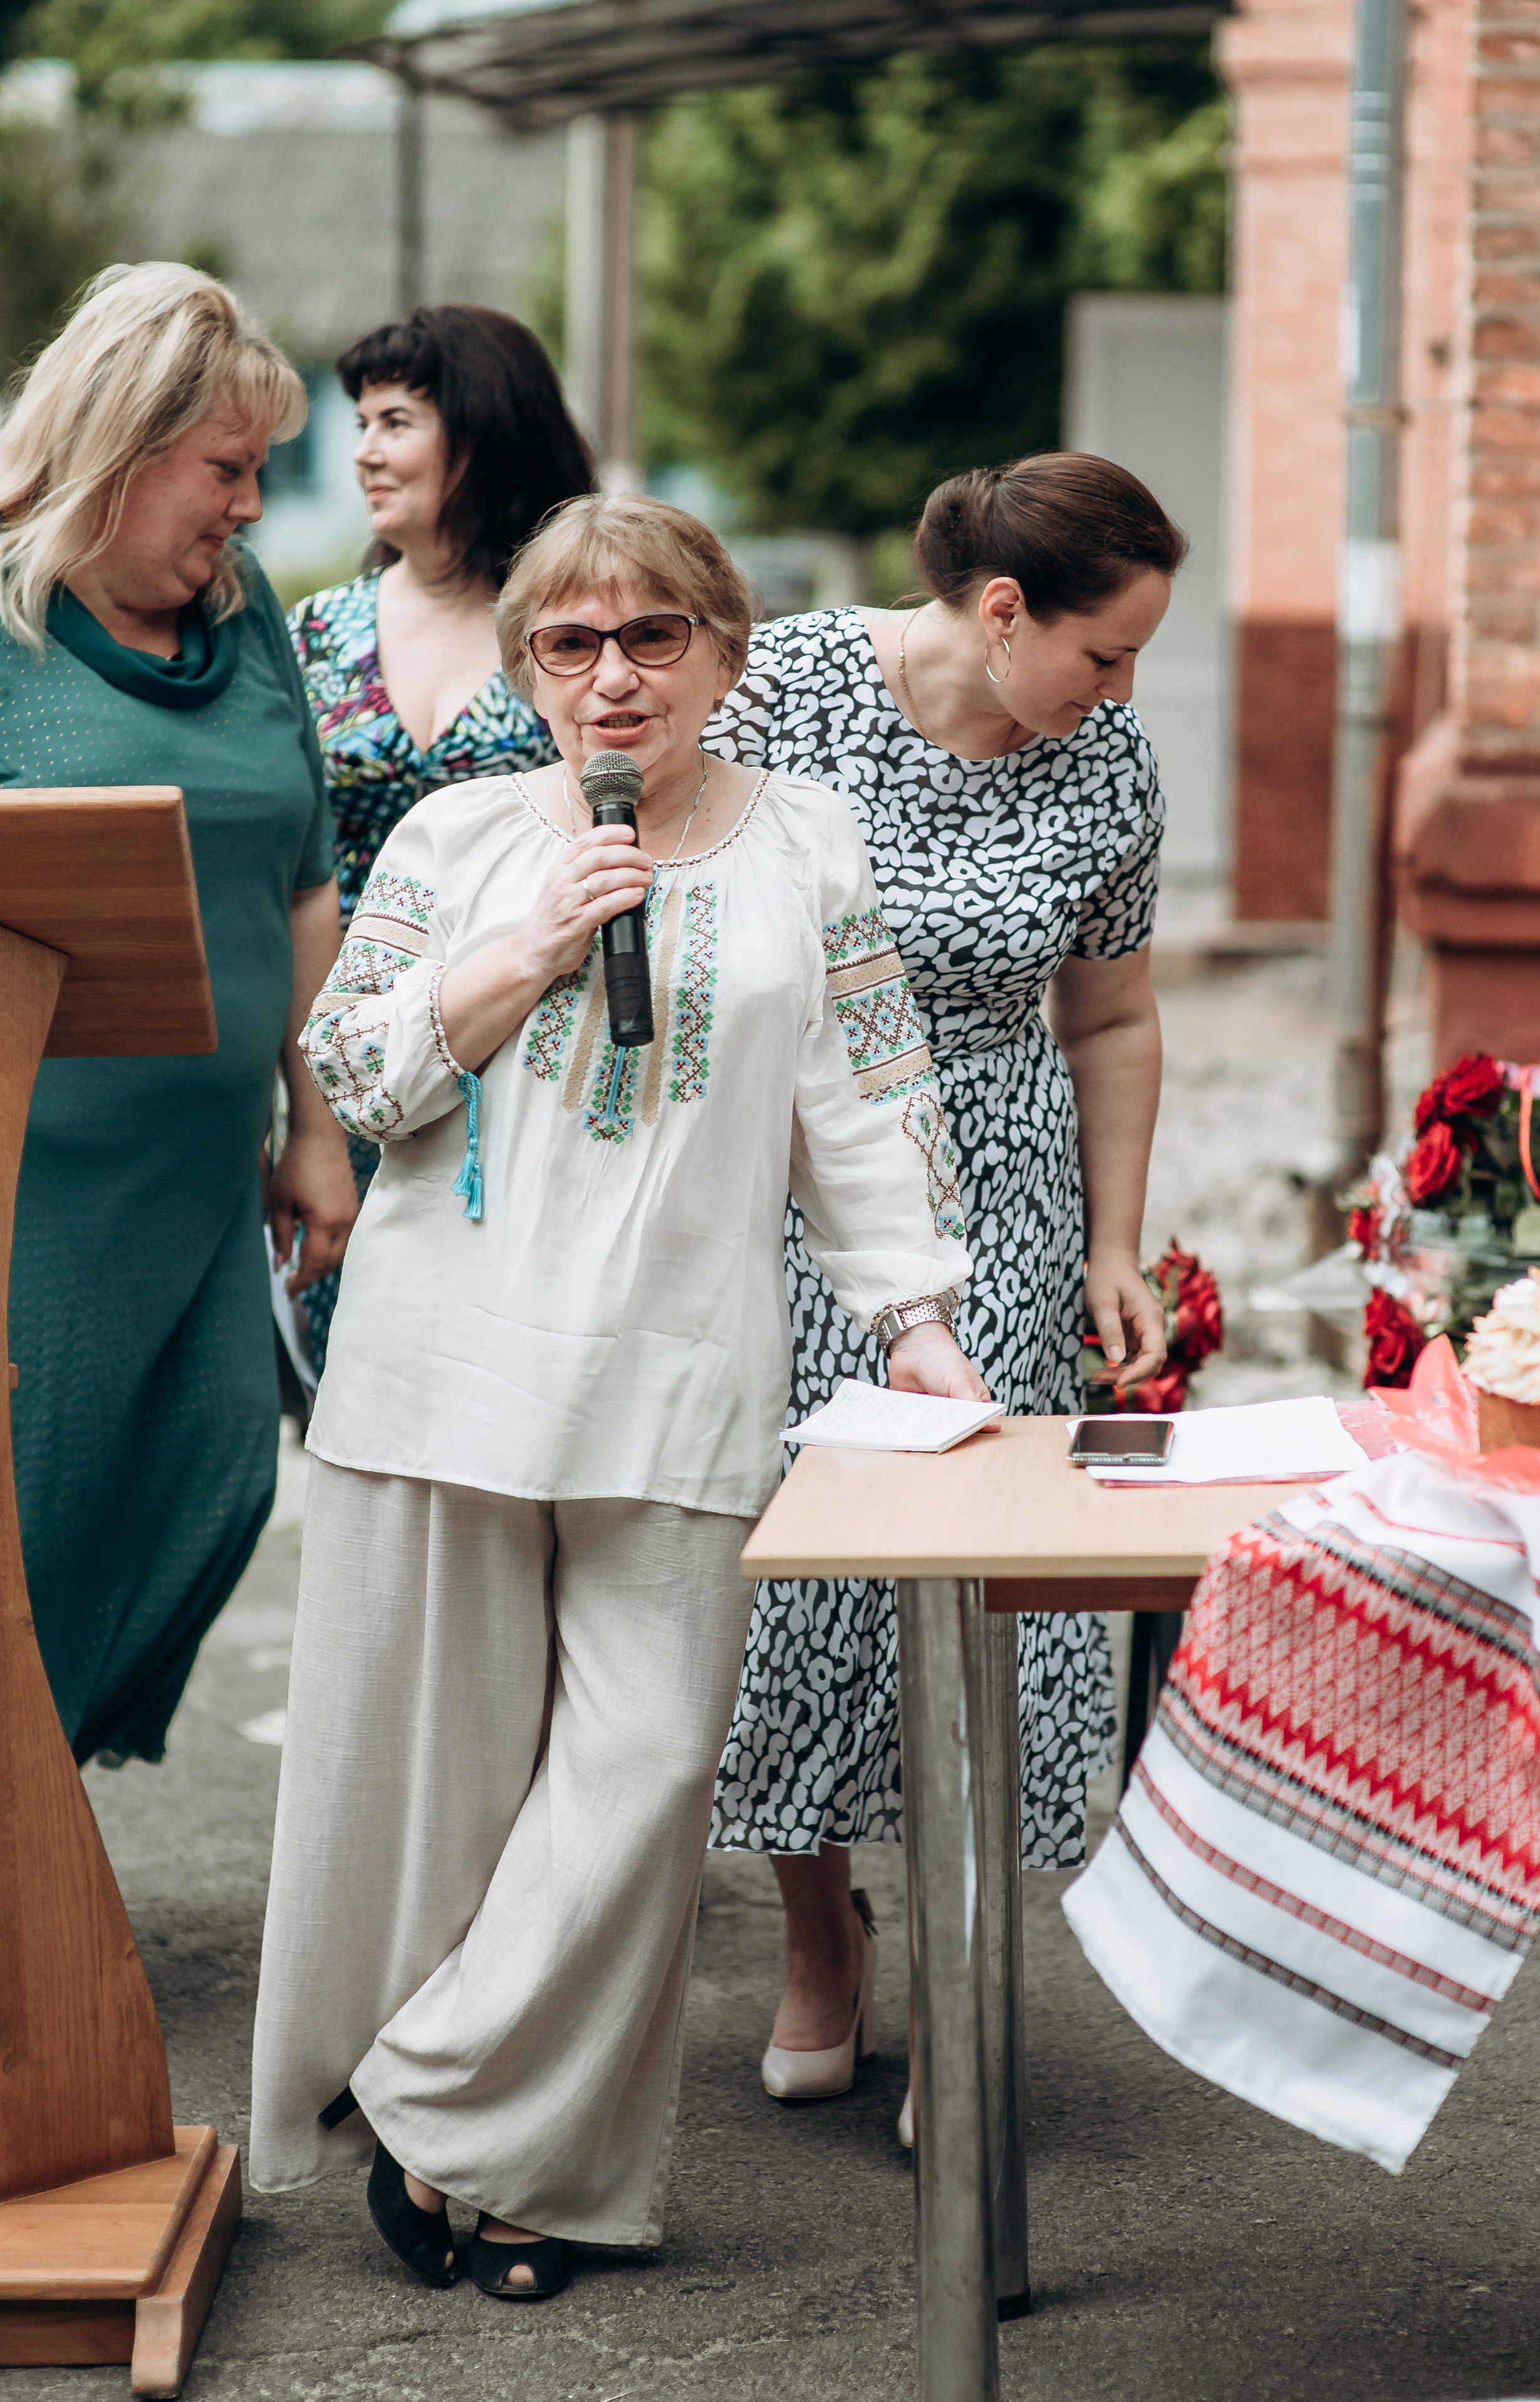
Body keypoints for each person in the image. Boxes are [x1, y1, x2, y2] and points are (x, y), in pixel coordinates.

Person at [248, 494, 983, 2301]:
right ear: (528, 673)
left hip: (676, 1375)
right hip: (445, 1376)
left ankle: (427, 2108)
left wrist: (919, 1316)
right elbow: (352, 1067)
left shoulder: (810, 841)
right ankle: (539, 2184)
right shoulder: (454, 836)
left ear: (725, 650)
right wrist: (524, 950)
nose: (615, 676)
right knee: (447, 1794)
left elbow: (868, 1099)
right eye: (571, 643)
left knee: (645, 1772)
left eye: (655, 636)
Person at [701, 451, 1182, 2113]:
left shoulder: (1108, 765)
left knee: (985, 1579)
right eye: (1103, 652)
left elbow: (1111, 1017)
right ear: (999, 610)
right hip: (788, 1168)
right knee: (798, 1583)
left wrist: (1114, 1244)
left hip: (1008, 1190)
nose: (1123, 690)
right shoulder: (792, 689)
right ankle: (822, 1933)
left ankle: (959, 1975)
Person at [0, 262, 356, 1765]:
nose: (253, 507)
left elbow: (304, 875)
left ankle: (39, 1809)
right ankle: (34, 1845)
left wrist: (317, 1123)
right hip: (37, 1178)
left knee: (215, 1485)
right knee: (39, 1508)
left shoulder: (247, 610)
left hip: (208, 1171)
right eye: (227, 468)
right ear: (123, 447)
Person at [287, 304, 595, 1372]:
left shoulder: (575, 624)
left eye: (396, 420)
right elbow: (293, 876)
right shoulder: (314, 632)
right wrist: (310, 1122)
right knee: (366, 1383)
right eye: (360, 422)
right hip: (364, 1055)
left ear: (483, 426)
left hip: (545, 1050)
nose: (365, 451)